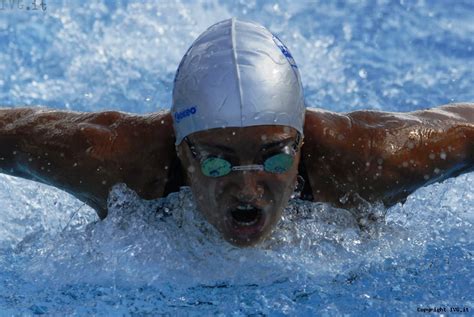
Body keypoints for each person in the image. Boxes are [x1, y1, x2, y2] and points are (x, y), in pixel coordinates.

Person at [0, 19, 473, 246]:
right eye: (217, 160)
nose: (247, 189)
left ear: (301, 142)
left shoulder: (366, 161)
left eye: (274, 157)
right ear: (183, 152)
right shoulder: (117, 161)